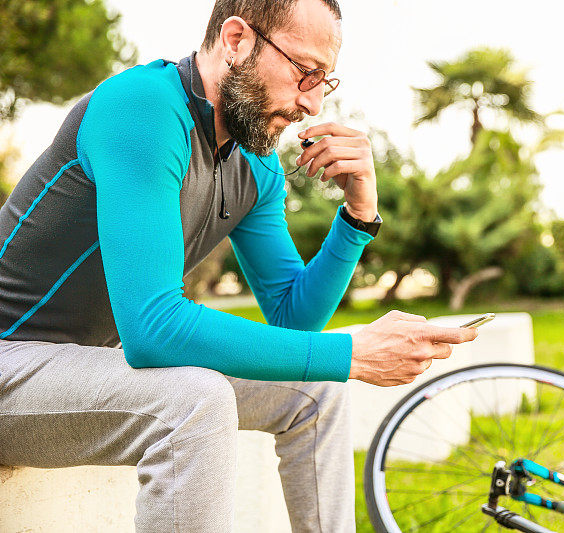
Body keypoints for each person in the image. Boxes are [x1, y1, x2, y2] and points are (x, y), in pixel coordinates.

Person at [0, 0, 478, 531]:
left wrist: (358, 215)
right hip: (10, 360)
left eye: (326, 81)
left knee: (317, 391)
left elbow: (294, 322)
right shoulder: (141, 107)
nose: (313, 103)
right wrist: (354, 351)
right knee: (192, 402)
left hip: (89, 366)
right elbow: (153, 329)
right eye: (304, 73)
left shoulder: (256, 161)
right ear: (235, 40)